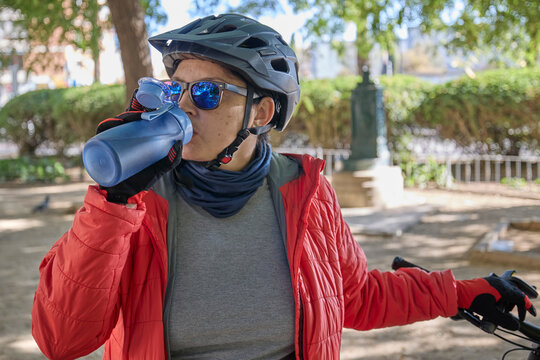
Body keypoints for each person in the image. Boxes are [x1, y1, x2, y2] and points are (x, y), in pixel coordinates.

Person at [32, 14, 536, 360]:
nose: (183, 106)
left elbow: (356, 297)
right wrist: (112, 201)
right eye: (175, 90)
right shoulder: (136, 200)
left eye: (206, 93)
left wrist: (462, 293)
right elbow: (62, 339)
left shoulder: (305, 190)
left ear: (262, 112)